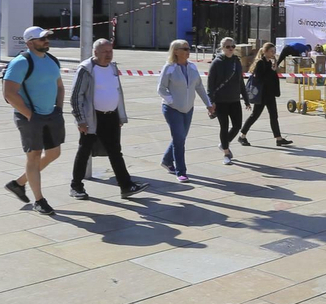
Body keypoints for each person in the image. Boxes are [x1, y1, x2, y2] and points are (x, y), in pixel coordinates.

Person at [69, 38, 147, 201]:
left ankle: (126, 186)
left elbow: (117, 91)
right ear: (95, 52)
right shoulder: (86, 69)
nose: (108, 54)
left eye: (110, 51)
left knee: (115, 152)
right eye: (104, 51)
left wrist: (119, 115)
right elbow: (76, 96)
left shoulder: (112, 67)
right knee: (84, 151)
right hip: (92, 118)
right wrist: (80, 120)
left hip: (111, 117)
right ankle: (76, 186)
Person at [3, 26, 65, 216]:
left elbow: (60, 86)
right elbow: (8, 93)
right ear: (30, 43)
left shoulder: (52, 60)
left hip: (51, 114)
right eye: (41, 39)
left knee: (54, 153)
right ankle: (39, 200)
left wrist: (59, 108)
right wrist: (29, 115)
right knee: (34, 155)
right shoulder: (21, 63)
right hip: (30, 117)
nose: (46, 40)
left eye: (46, 37)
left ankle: (19, 183)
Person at [157, 39, 214, 182]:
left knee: (180, 137)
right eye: (185, 49)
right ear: (176, 51)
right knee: (179, 139)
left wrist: (208, 104)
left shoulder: (193, 67)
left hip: (188, 108)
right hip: (172, 109)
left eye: (189, 48)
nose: (188, 51)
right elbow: (161, 89)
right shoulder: (169, 68)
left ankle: (166, 160)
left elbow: (199, 87)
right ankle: (180, 171)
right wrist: (172, 101)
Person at [238, 42, 292, 147]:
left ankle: (278, 138)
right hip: (262, 94)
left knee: (274, 116)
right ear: (265, 51)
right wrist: (272, 71)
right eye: (271, 51)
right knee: (255, 115)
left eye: (274, 51)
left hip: (269, 94)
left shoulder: (268, 63)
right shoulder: (260, 63)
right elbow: (261, 78)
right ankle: (242, 136)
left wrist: (273, 69)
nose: (274, 53)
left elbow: (272, 78)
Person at [206, 37, 248, 165]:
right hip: (221, 101)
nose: (230, 49)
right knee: (224, 126)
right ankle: (226, 152)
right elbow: (210, 84)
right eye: (227, 47)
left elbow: (240, 82)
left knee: (237, 126)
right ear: (222, 48)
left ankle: (224, 143)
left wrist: (246, 99)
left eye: (232, 46)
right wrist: (211, 101)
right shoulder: (217, 62)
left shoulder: (236, 62)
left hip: (234, 100)